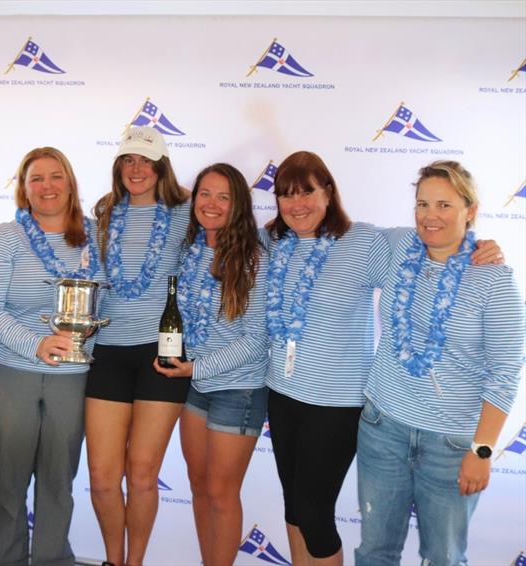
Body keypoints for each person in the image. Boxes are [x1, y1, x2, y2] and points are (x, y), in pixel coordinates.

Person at [262, 151, 504, 566]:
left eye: (307, 192)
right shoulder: (273, 241)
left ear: (330, 193)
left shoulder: (367, 241)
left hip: (337, 404)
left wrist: (480, 244)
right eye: (286, 195)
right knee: (295, 509)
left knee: (316, 514)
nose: (297, 204)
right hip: (283, 394)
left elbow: (440, 237)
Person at [354, 161, 525, 566]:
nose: (431, 216)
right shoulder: (397, 249)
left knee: (444, 558)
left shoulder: (494, 279)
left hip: (450, 445)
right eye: (422, 204)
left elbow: (505, 375)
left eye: (444, 205)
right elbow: (332, 230)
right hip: (383, 429)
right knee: (375, 552)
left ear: (471, 210)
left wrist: (481, 452)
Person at [0, 147, 104, 566]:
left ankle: (52, 559)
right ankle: (3, 559)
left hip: (73, 374)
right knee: (9, 482)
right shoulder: (5, 238)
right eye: (36, 179)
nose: (47, 186)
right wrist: (36, 343)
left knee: (58, 481)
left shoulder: (97, 237)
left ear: (70, 183)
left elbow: (107, 304)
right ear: (24, 189)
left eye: (55, 176)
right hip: (12, 371)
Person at [153, 163, 268, 566]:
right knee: (199, 485)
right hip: (195, 387)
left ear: (239, 204)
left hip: (239, 389)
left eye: (224, 196)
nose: (212, 203)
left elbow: (255, 340)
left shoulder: (255, 256)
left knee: (221, 492)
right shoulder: (189, 250)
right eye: (205, 194)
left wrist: (195, 368)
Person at [85, 126, 190, 566]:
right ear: (118, 166)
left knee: (143, 475)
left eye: (146, 161)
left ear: (162, 166)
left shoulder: (184, 213)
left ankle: (136, 563)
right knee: (104, 478)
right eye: (129, 160)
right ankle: (113, 559)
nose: (137, 169)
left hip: (160, 354)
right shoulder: (104, 214)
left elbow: (234, 229)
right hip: (107, 350)